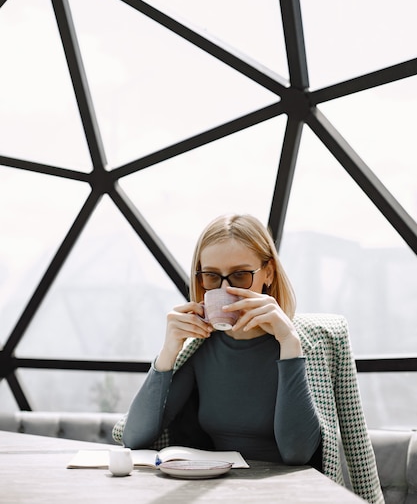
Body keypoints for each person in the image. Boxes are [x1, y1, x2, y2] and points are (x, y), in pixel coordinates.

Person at [113, 214, 383, 504]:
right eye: (212, 277)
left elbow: (298, 453)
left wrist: (289, 344)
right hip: (215, 495)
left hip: (295, 496)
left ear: (268, 273)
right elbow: (135, 438)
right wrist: (168, 352)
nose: (224, 290)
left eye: (240, 275)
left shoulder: (319, 339)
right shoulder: (199, 349)